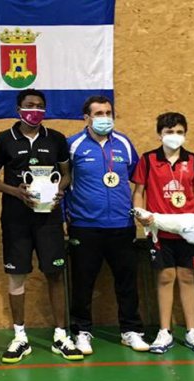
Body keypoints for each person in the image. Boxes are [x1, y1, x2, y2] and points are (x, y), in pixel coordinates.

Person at [0, 89, 82, 362]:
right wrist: (15, 192)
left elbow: (66, 175)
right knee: (16, 275)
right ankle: (20, 337)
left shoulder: (56, 139)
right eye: (30, 105)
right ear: (18, 109)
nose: (35, 110)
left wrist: (59, 191)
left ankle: (61, 336)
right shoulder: (4, 139)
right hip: (15, 219)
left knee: (55, 273)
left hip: (49, 218)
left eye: (40, 106)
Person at [65, 96, 150, 355]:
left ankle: (131, 331)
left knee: (127, 282)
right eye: (99, 113)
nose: (105, 118)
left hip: (122, 225)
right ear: (87, 118)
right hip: (85, 225)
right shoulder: (73, 145)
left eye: (108, 113)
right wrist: (64, 218)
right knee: (83, 282)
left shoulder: (124, 143)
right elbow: (62, 183)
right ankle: (81, 331)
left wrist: (140, 210)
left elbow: (138, 179)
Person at [132, 112, 194, 354]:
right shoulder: (148, 160)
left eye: (179, 132)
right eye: (169, 132)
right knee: (166, 277)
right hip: (160, 230)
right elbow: (139, 192)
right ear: (160, 134)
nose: (174, 136)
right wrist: (140, 214)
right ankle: (164, 331)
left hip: (189, 232)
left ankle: (192, 331)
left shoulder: (193, 160)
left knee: (187, 277)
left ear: (185, 134)